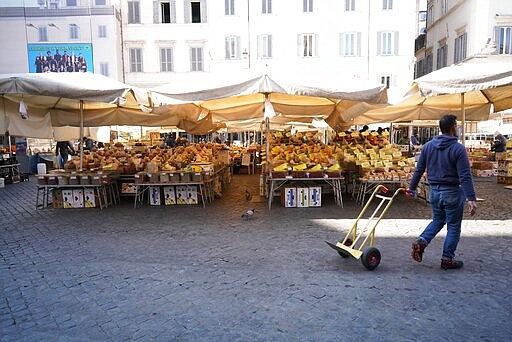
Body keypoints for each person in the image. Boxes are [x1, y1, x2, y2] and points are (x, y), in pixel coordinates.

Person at [407, 114, 477, 270]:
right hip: (452, 192)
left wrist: (412, 188)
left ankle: (422, 242)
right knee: (453, 226)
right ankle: (447, 259)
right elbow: (465, 175)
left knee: (438, 220)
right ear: (453, 127)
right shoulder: (458, 148)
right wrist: (471, 198)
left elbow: (419, 169)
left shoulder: (428, 146)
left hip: (435, 192)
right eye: (457, 125)